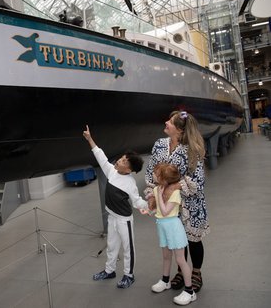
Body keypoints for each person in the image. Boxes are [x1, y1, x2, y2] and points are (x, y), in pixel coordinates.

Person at [145, 110, 209, 293]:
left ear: (180, 130)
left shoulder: (193, 149)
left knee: (193, 240)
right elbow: (151, 172)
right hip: (169, 204)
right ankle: (182, 270)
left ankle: (196, 272)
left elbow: (198, 180)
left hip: (191, 204)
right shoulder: (159, 145)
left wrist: (173, 187)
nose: (166, 122)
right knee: (177, 241)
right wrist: (153, 194)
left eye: (170, 122)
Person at [83, 125, 149, 289]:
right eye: (122, 157)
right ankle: (109, 270)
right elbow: (101, 157)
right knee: (112, 246)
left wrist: (150, 205)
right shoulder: (112, 171)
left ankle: (129, 275)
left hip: (124, 220)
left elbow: (137, 201)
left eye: (125, 161)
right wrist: (90, 139)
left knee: (128, 247)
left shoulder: (130, 184)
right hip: (112, 216)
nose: (120, 160)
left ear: (129, 169)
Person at [150, 163, 196, 305]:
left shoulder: (174, 192)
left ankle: (190, 291)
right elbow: (158, 211)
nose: (153, 175)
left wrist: (157, 194)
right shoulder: (159, 188)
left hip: (173, 228)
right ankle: (165, 280)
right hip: (162, 227)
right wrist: (149, 208)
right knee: (166, 256)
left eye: (156, 174)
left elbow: (165, 211)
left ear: (163, 178)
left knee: (180, 260)